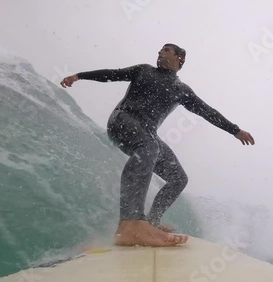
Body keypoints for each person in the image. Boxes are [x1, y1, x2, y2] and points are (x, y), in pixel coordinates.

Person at [60, 43, 255, 247]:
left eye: (166, 50)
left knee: (178, 178)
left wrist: (235, 130)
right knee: (149, 146)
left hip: (148, 134)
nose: (160, 52)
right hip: (122, 120)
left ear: (180, 59)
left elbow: (207, 111)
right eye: (160, 50)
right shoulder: (144, 70)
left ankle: (150, 223)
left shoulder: (182, 90)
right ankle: (130, 223)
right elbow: (113, 74)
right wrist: (79, 76)